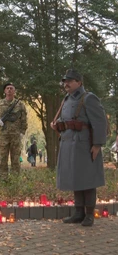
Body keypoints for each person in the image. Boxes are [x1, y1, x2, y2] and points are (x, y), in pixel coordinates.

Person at [50, 69, 107, 227]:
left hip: (85, 144)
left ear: (79, 82)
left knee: (87, 179)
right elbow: (66, 121)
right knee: (76, 178)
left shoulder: (88, 98)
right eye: (65, 81)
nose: (66, 84)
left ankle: (89, 214)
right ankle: (78, 212)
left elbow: (100, 122)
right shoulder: (66, 100)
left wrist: (97, 145)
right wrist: (57, 125)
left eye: (70, 81)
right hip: (69, 143)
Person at [0, 83, 28, 177]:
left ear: (14, 91)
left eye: (11, 88)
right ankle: (3, 179)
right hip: (3, 136)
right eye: (7, 88)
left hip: (16, 136)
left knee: (15, 160)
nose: (9, 90)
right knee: (2, 159)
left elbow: (24, 119)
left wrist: (22, 132)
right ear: (4, 91)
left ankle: (15, 181)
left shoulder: (20, 104)